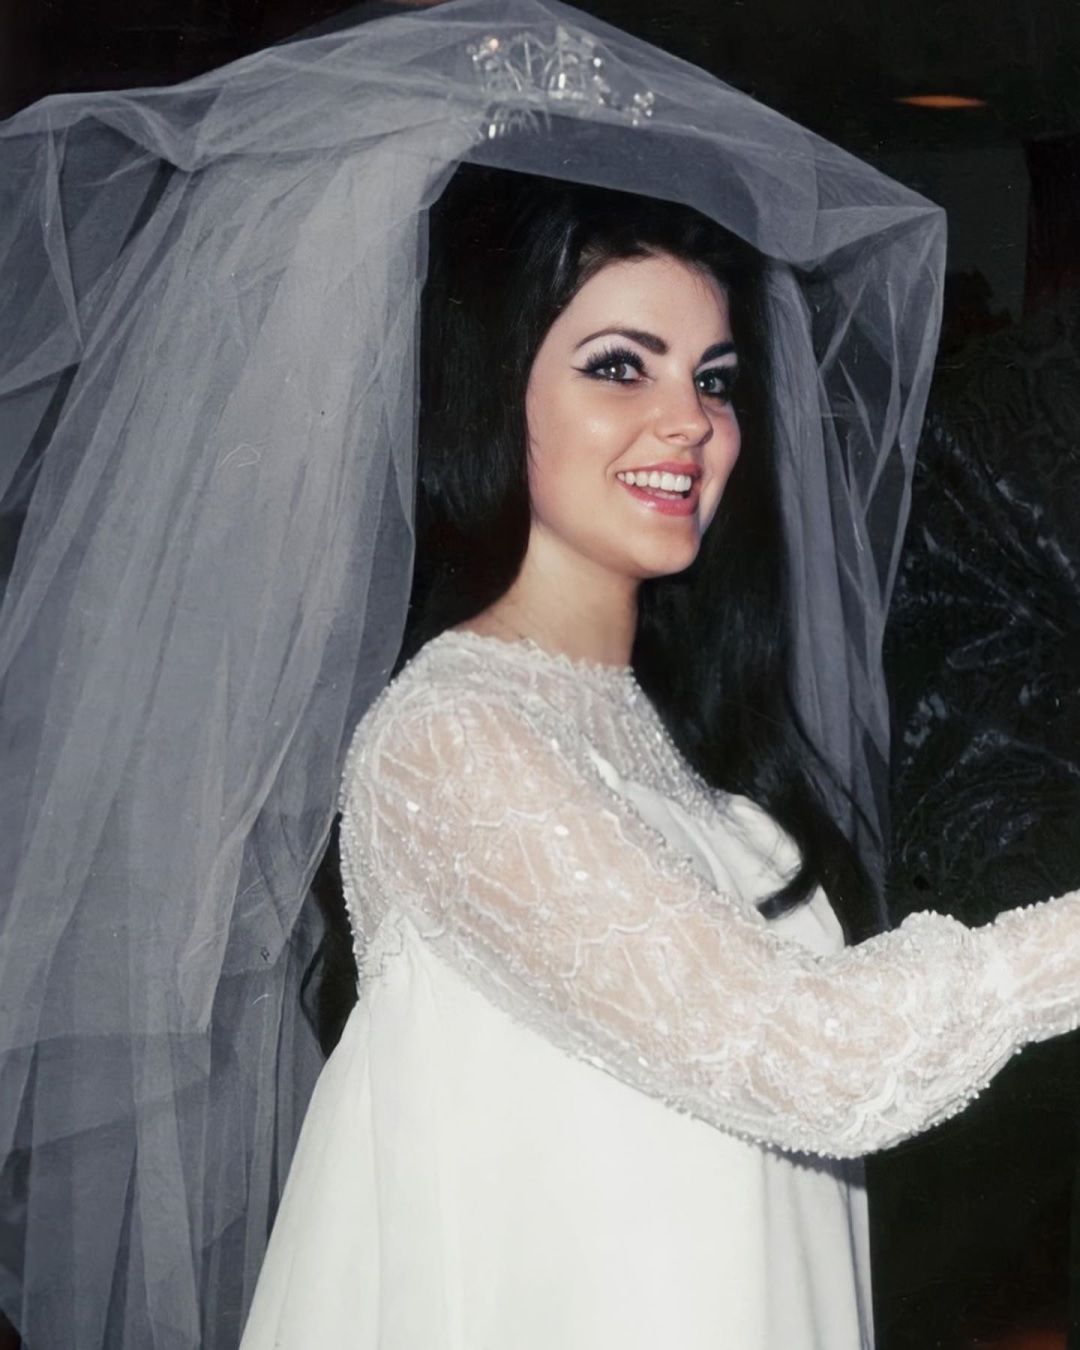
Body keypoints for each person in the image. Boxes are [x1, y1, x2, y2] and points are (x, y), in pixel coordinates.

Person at [0, 2, 1077, 1346]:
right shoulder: (448, 740)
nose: (689, 421)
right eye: (620, 367)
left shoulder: (669, 723)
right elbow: (811, 1056)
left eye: (715, 377)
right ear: (491, 393)